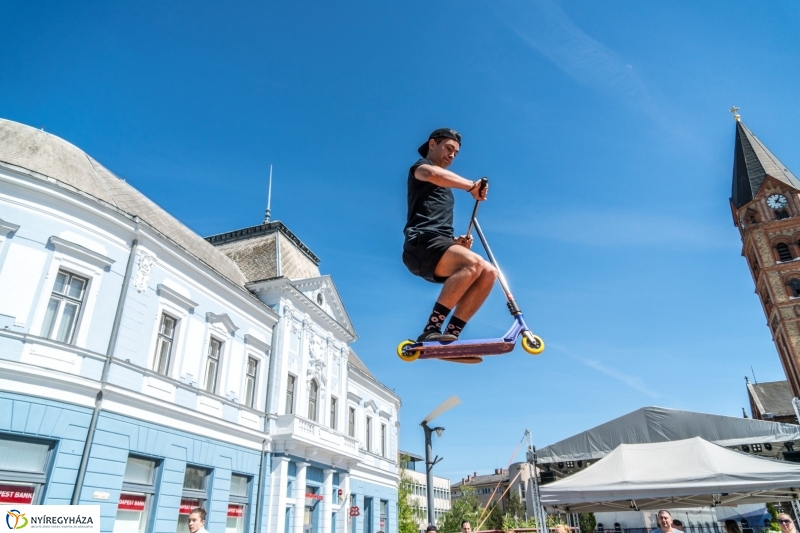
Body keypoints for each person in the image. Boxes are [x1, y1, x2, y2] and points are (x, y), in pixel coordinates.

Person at [402, 128, 494, 343]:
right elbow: (433, 175)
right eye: (449, 148)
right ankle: (431, 329)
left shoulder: (446, 188)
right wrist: (471, 185)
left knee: (489, 272)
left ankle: (449, 337)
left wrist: (455, 243)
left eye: (456, 153)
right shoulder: (421, 168)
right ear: (433, 144)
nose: (452, 155)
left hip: (438, 245)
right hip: (420, 244)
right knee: (474, 263)